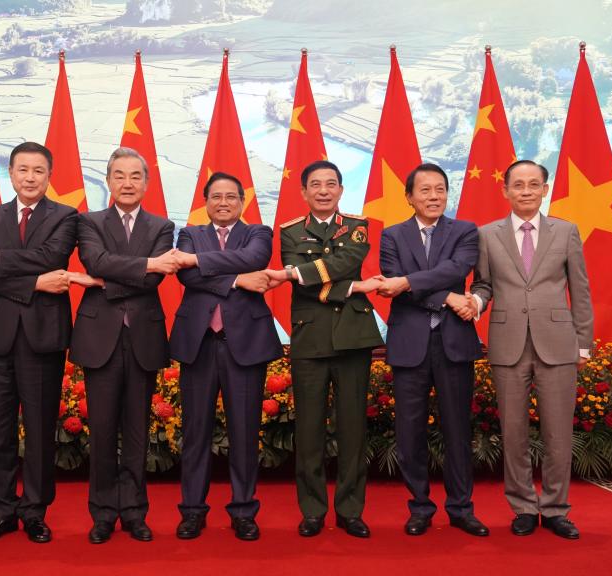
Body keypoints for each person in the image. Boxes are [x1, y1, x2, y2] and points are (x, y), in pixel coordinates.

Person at [0, 142, 87, 543]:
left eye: (38, 170)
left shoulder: (66, 216)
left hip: (42, 336)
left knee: (38, 430)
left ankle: (35, 511)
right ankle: (1, 511)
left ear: (49, 176)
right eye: (23, 170)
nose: (30, 177)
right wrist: (35, 283)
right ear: (11, 174)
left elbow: (51, 257)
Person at [469, 160, 594, 540]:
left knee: (558, 433)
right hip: (508, 344)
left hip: (558, 344)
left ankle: (556, 509)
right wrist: (475, 302)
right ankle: (523, 507)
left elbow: (580, 290)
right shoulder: (486, 235)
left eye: (533, 184)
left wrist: (583, 343)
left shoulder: (566, 232)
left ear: (545, 189)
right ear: (505, 190)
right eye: (518, 185)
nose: (526, 191)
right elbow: (483, 285)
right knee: (513, 432)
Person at [264, 160, 383, 538]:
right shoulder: (290, 231)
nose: (323, 191)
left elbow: (346, 261)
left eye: (331, 184)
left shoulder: (358, 226)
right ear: (303, 192)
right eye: (315, 184)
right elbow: (303, 281)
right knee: (309, 430)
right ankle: (313, 510)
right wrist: (354, 288)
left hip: (353, 337)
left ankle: (350, 510)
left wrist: (299, 273)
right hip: (310, 339)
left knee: (352, 429)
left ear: (341, 190)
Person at [69, 147, 177, 544]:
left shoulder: (162, 226)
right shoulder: (89, 221)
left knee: (136, 431)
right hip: (100, 338)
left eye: (135, 176)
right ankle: (102, 513)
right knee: (101, 431)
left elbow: (153, 280)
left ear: (146, 183)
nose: (127, 183)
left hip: (143, 338)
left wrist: (103, 282)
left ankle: (133, 512)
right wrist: (144, 264)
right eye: (120, 175)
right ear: (108, 181)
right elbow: (95, 261)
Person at [374, 163, 488, 537]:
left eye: (440, 189)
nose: (434, 196)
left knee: (458, 430)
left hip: (454, 343)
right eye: (425, 190)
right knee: (410, 433)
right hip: (410, 344)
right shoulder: (392, 235)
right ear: (409, 197)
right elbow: (392, 285)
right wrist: (448, 297)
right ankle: (420, 507)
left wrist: (408, 282)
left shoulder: (465, 231)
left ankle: (461, 508)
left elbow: (454, 270)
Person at [169, 172, 282, 541]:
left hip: (245, 343)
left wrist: (199, 262)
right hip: (199, 343)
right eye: (215, 196)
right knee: (195, 432)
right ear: (205, 201)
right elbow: (187, 277)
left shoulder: (258, 233)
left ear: (242, 201)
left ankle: (244, 511)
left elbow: (254, 258)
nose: (223, 202)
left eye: (230, 196)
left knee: (245, 432)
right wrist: (237, 280)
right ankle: (192, 511)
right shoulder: (189, 234)